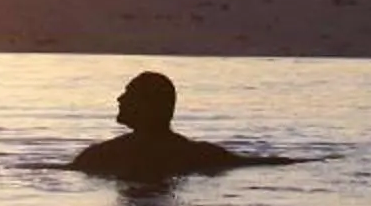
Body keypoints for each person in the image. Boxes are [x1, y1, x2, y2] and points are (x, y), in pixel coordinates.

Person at [69, 70, 258, 181]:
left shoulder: (103, 155)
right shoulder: (200, 153)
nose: (120, 98)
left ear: (147, 105)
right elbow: (253, 163)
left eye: (129, 93)